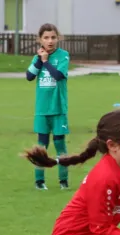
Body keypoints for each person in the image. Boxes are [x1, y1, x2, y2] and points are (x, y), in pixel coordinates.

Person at [26, 23, 71, 190]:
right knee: (41, 146)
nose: (50, 41)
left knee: (60, 145)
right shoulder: (38, 58)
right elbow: (29, 76)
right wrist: (39, 60)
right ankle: (39, 181)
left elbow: (58, 75)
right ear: (40, 39)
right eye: (46, 37)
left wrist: (46, 62)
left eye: (53, 37)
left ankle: (63, 181)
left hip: (58, 109)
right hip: (42, 110)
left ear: (58, 38)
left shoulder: (63, 56)